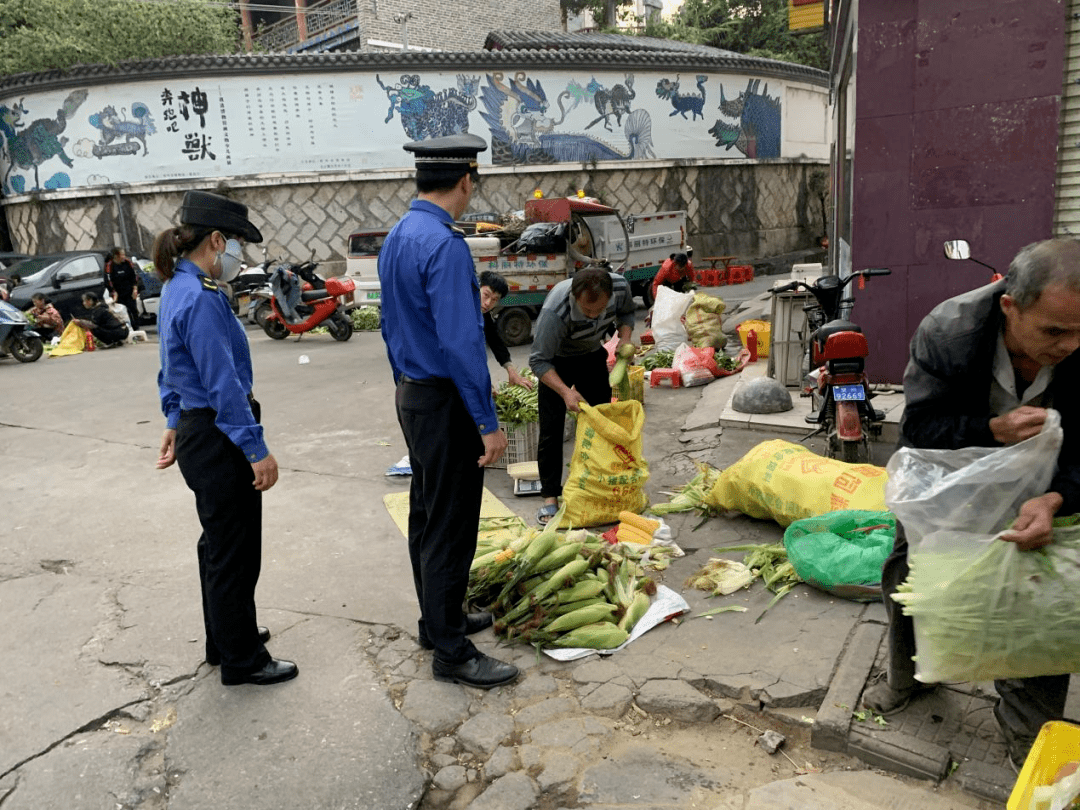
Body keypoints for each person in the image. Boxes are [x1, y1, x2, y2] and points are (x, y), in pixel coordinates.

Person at [862, 239, 1080, 768]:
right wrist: (991, 430)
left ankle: (1028, 730)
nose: (1071, 345)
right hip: (951, 474)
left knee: (1038, 597)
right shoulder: (950, 332)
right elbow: (919, 429)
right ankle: (910, 678)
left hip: (1046, 480)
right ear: (1009, 304)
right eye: (1054, 331)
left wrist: (1054, 498)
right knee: (910, 575)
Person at [378, 133, 517, 690]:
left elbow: (390, 326)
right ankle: (452, 652)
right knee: (452, 525)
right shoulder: (446, 245)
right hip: (443, 400)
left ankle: (439, 622)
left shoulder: (397, 237)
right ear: (465, 181)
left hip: (414, 394)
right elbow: (462, 344)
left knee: (426, 513)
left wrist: (405, 387)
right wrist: (486, 422)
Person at [153, 190, 296, 687]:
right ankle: (242, 660)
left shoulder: (176, 286)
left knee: (217, 543)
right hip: (218, 434)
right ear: (215, 240)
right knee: (235, 549)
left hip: (198, 430)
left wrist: (173, 421)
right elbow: (223, 385)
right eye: (235, 243)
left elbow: (169, 369)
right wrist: (256, 449)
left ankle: (226, 638)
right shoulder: (202, 297)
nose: (239, 256)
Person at [529, 267, 636, 526]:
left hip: (591, 356)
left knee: (602, 420)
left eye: (599, 311)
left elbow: (627, 313)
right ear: (575, 297)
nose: (593, 316)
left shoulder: (619, 287)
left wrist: (625, 338)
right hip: (557, 362)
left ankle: (600, 484)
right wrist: (566, 391)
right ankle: (550, 498)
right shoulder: (555, 312)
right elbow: (538, 361)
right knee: (552, 431)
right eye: (587, 312)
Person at [479, 270, 534, 390]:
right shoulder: (461, 311)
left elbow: (495, 341)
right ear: (478, 287)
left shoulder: (484, 315)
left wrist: (511, 370)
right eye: (486, 295)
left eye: (494, 300)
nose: (488, 303)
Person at [104, 247, 141, 328]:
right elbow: (108, 281)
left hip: (129, 291)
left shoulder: (128, 263)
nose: (124, 256)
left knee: (133, 310)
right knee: (122, 313)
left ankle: (136, 329)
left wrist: (135, 289)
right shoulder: (109, 266)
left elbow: (134, 276)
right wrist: (113, 292)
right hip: (118, 294)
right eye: (122, 254)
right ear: (116, 256)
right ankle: (126, 330)